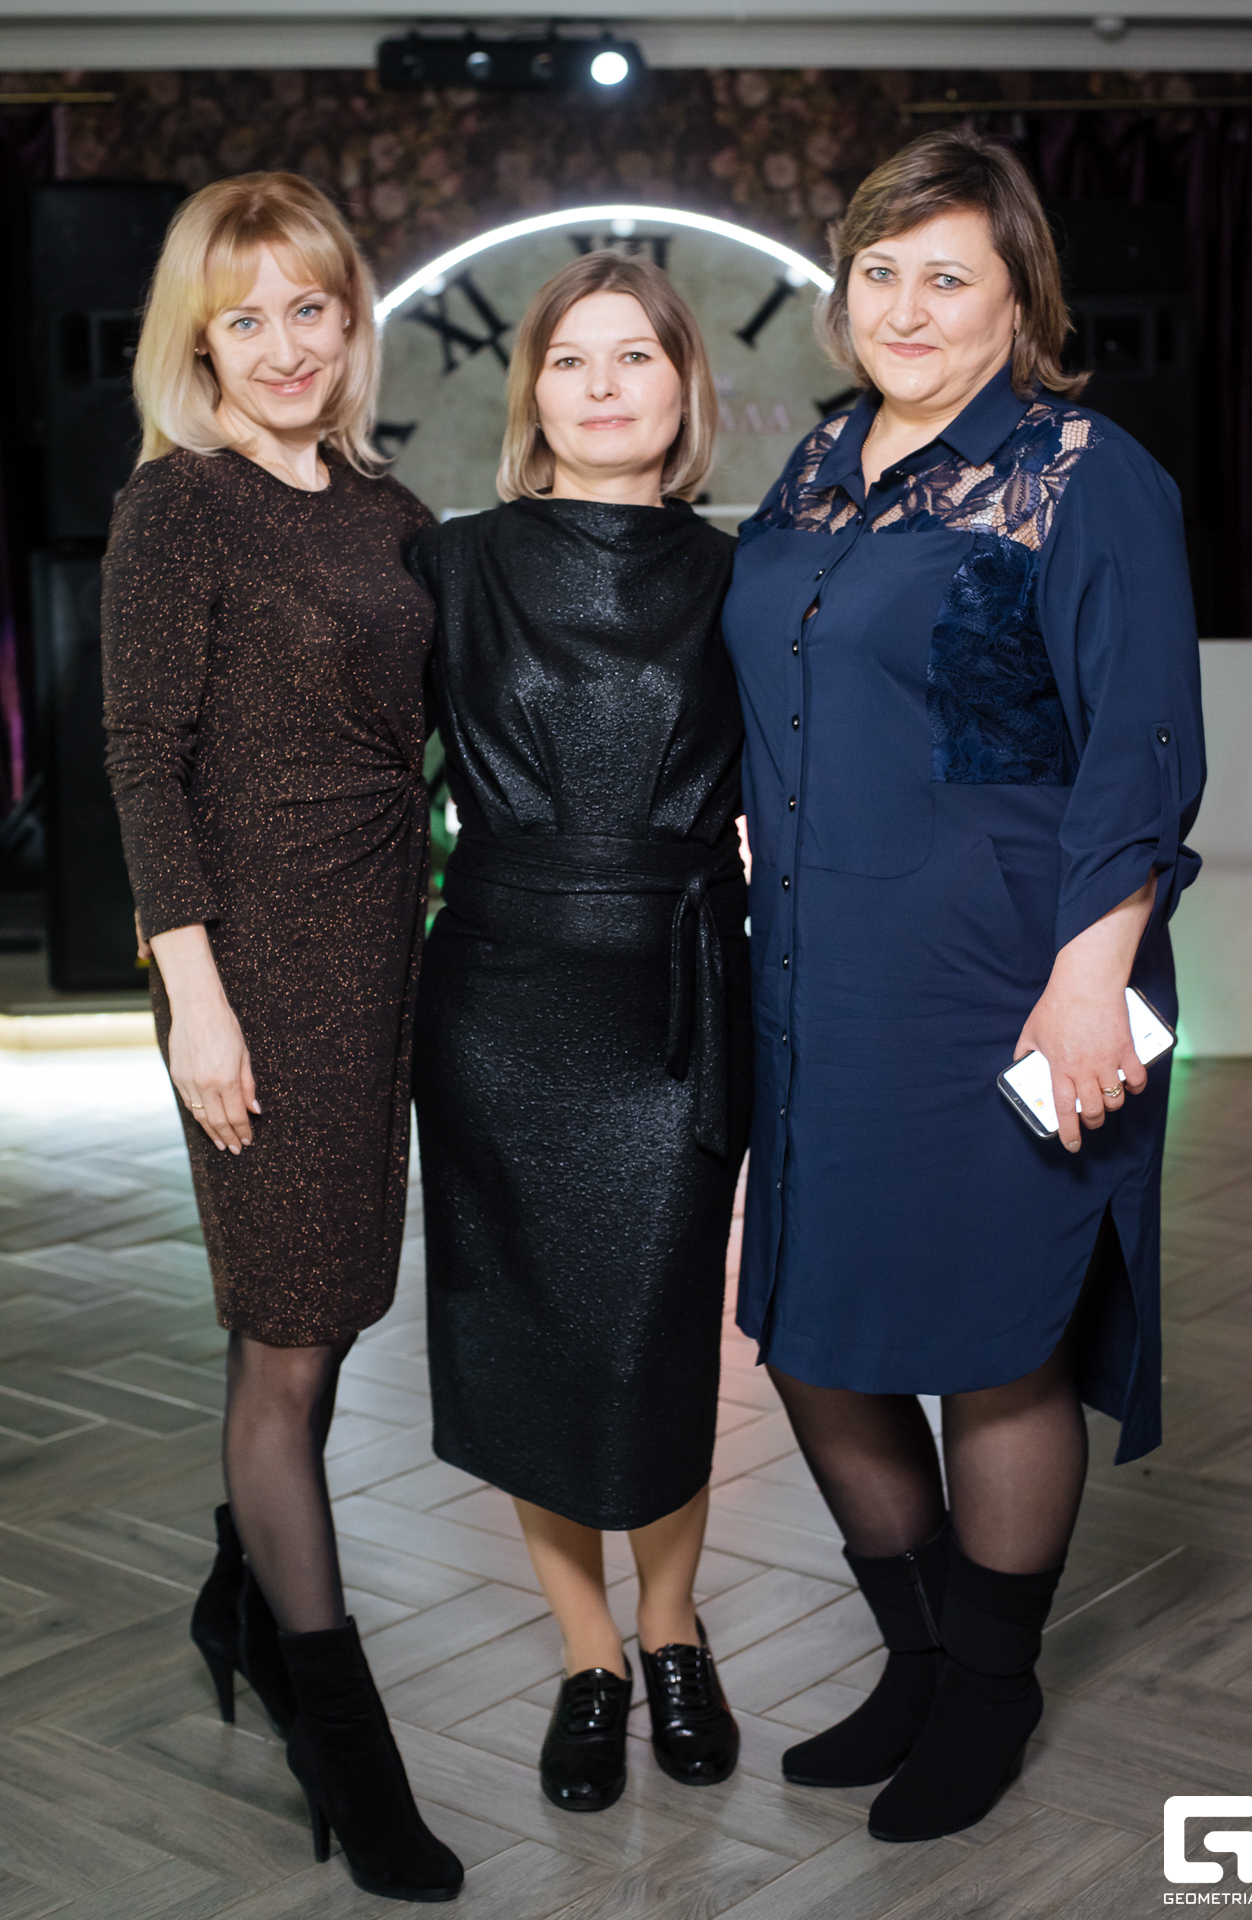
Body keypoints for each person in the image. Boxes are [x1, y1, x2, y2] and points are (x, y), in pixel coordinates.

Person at [721, 129, 1204, 1843]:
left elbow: (1143, 746)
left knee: (999, 1345)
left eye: (948, 276)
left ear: (1016, 300)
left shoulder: (1082, 472)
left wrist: (1090, 974)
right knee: (809, 1331)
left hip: (1006, 973)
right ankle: (917, 1655)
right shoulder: (817, 466)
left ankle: (989, 1692)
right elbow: (792, 682)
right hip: (817, 978)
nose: (907, 307)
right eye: (880, 272)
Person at [101, 171, 463, 1903]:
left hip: (379, 963)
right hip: (250, 976)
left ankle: (241, 1603)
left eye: (309, 307)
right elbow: (141, 761)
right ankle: (349, 1749)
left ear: (349, 317)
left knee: (328, 1315)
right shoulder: (179, 505)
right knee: (289, 1345)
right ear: (197, 342)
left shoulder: (391, 511)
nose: (283, 345)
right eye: (242, 317)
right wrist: (197, 1001)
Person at [408, 251, 750, 1813]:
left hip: (677, 1001)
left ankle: (672, 1629)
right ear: (529, 388)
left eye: (634, 356)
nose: (602, 385)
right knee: (535, 1339)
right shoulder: (448, 565)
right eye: (568, 358)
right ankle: (588, 1654)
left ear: (684, 385)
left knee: (655, 1335)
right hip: (499, 1001)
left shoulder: (751, 574)